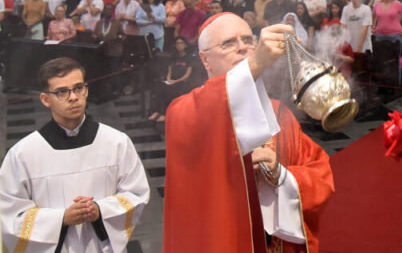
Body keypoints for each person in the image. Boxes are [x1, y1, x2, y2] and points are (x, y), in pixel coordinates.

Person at [163, 16, 334, 252]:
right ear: (205, 59)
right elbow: (210, 107)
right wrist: (253, 65)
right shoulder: (184, 112)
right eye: (228, 43)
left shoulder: (280, 115)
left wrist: (283, 176)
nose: (242, 47)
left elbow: (320, 174)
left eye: (247, 39)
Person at [0, 57, 149, 252]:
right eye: (62, 92)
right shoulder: (23, 154)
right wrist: (61, 219)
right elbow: (9, 215)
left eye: (79, 88)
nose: (73, 97)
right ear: (45, 99)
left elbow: (135, 194)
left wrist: (99, 210)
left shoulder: (117, 143)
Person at [149, 36, 197, 122]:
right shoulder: (173, 57)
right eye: (177, 43)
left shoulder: (189, 58)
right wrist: (169, 78)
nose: (179, 45)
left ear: (185, 45)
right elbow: (169, 70)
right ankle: (157, 111)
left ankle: (165, 113)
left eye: (181, 43)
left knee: (169, 90)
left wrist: (176, 81)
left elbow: (187, 75)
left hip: (182, 82)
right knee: (159, 87)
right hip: (172, 80)